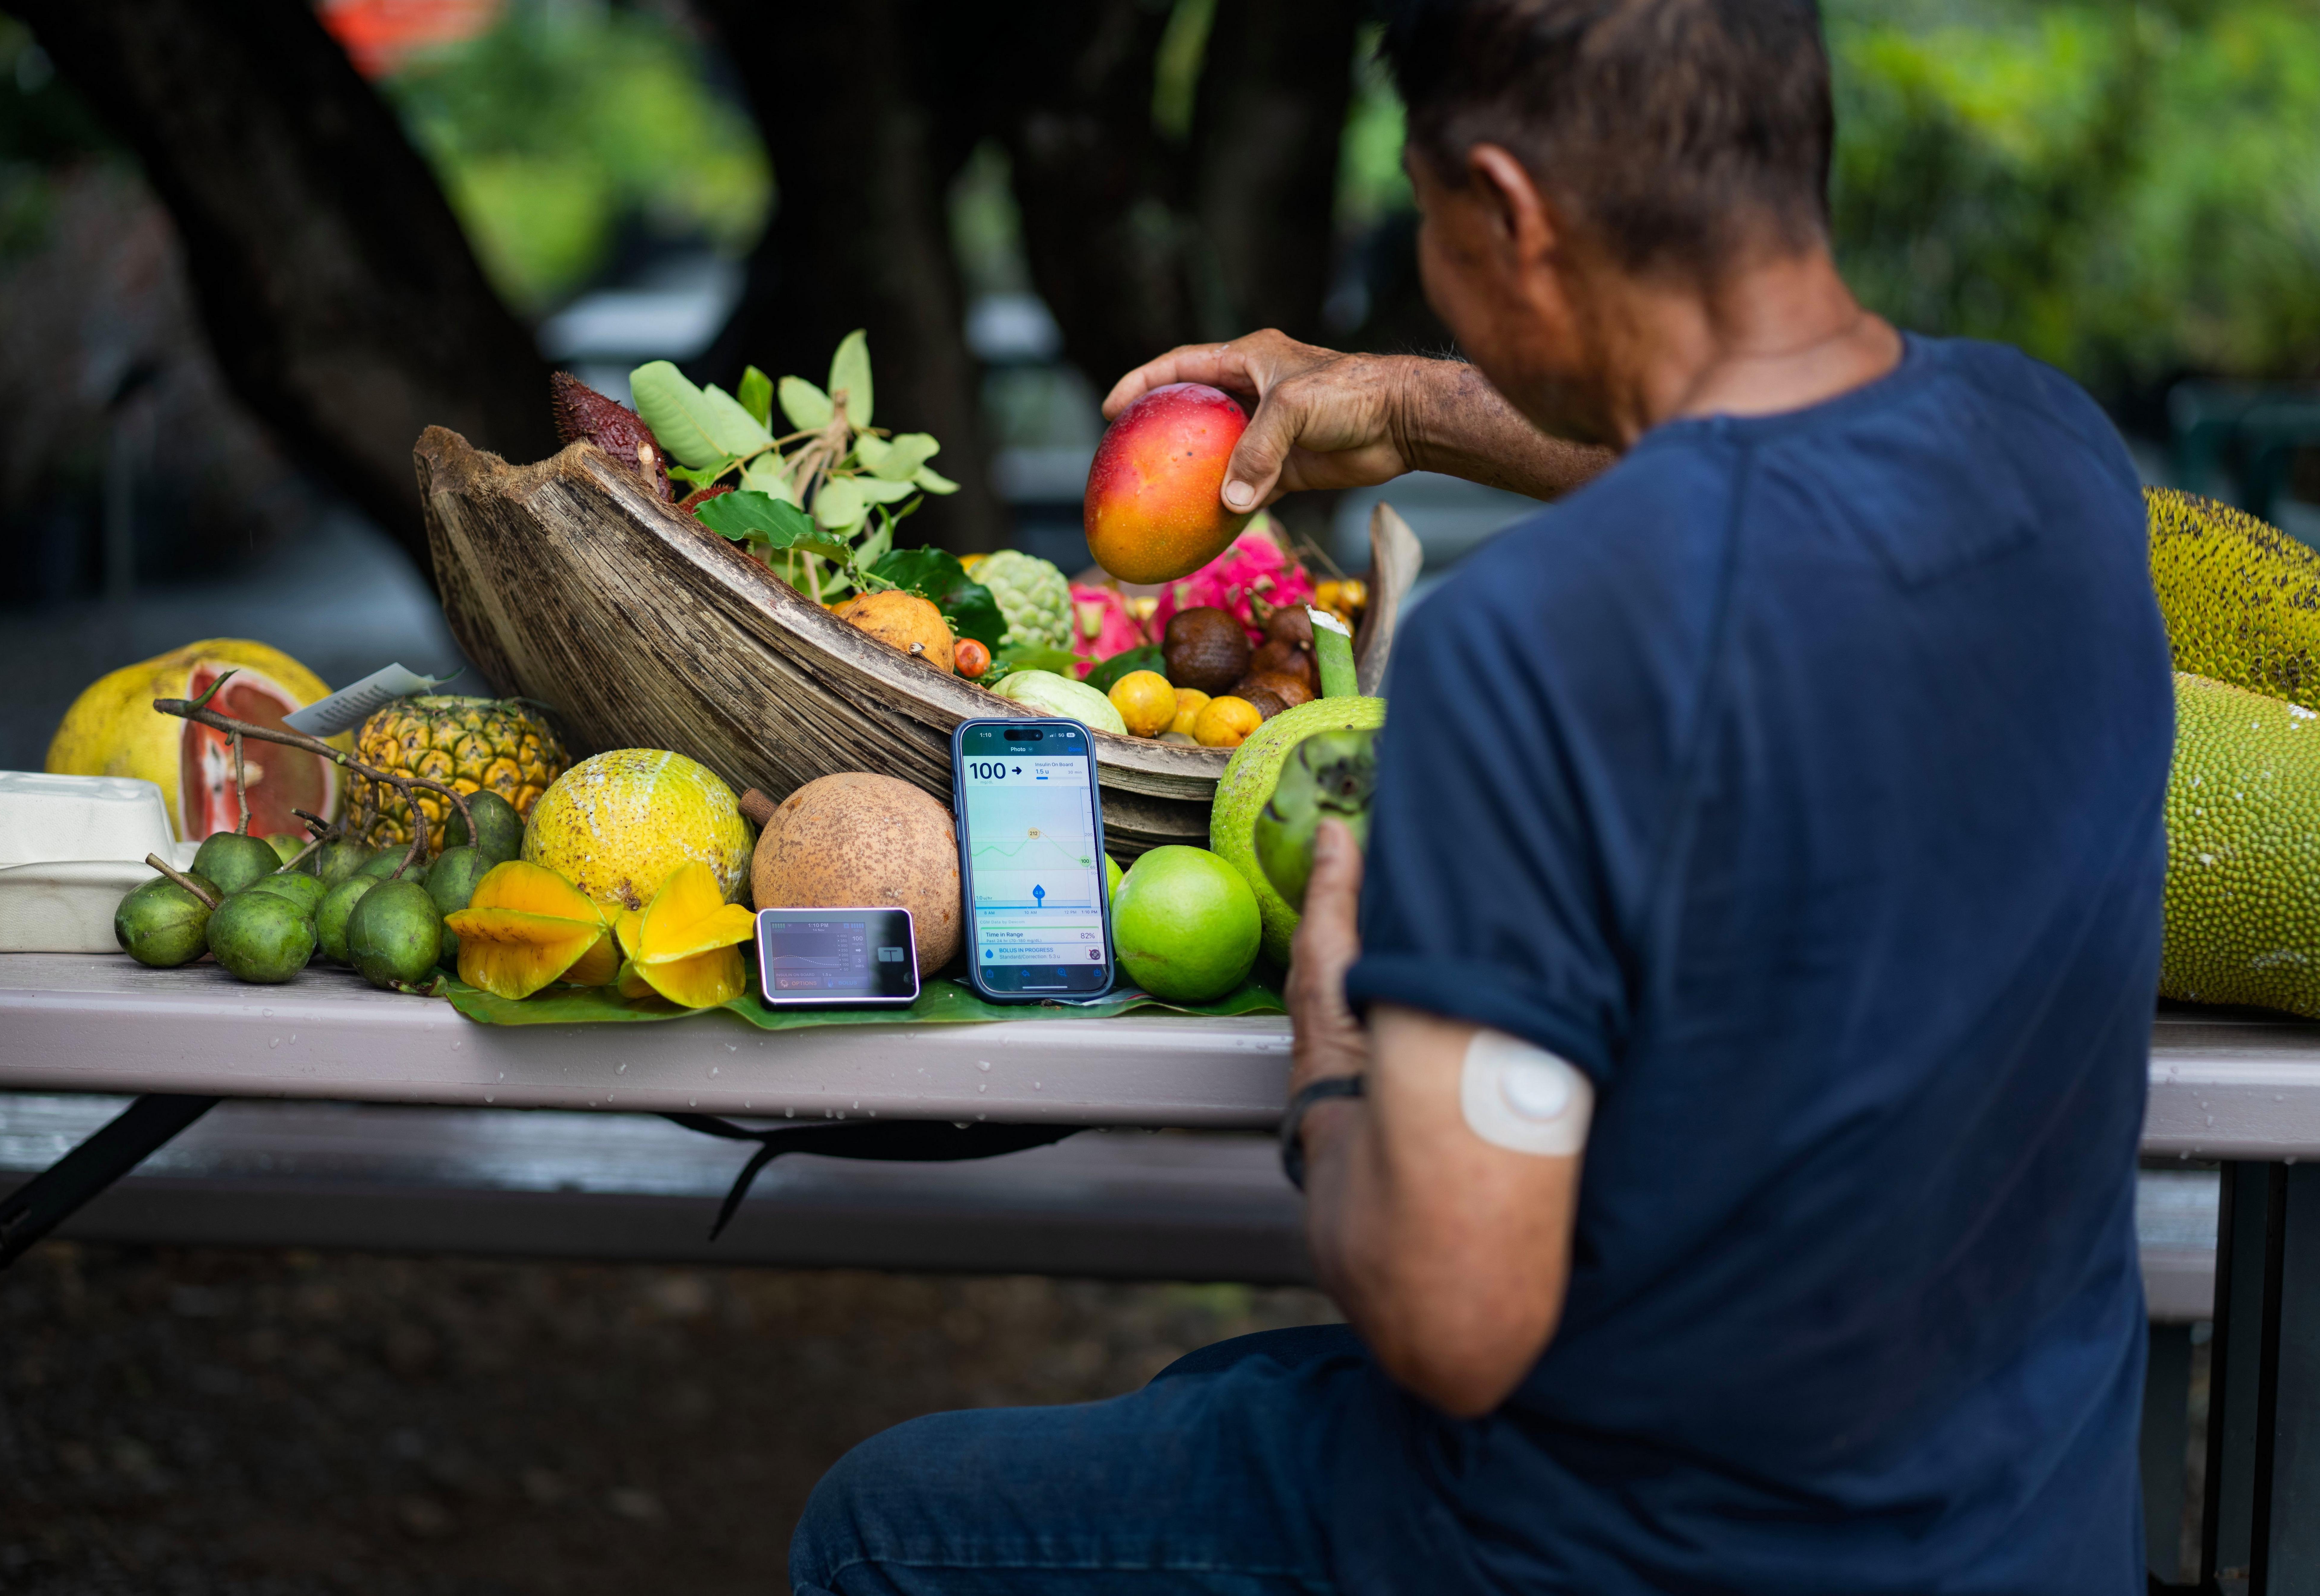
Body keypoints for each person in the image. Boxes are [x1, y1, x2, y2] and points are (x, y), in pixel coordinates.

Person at [788, 0, 2171, 1589]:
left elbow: (1455, 1319)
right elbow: (1763, 474)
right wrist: (1413, 404)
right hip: (2024, 1526)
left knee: (891, 1520)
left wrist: (1331, 1062)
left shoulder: (1535, 656)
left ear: (1509, 214)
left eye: (1425, 216)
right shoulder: (2055, 464)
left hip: (1629, 1548)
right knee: (1227, 1404)